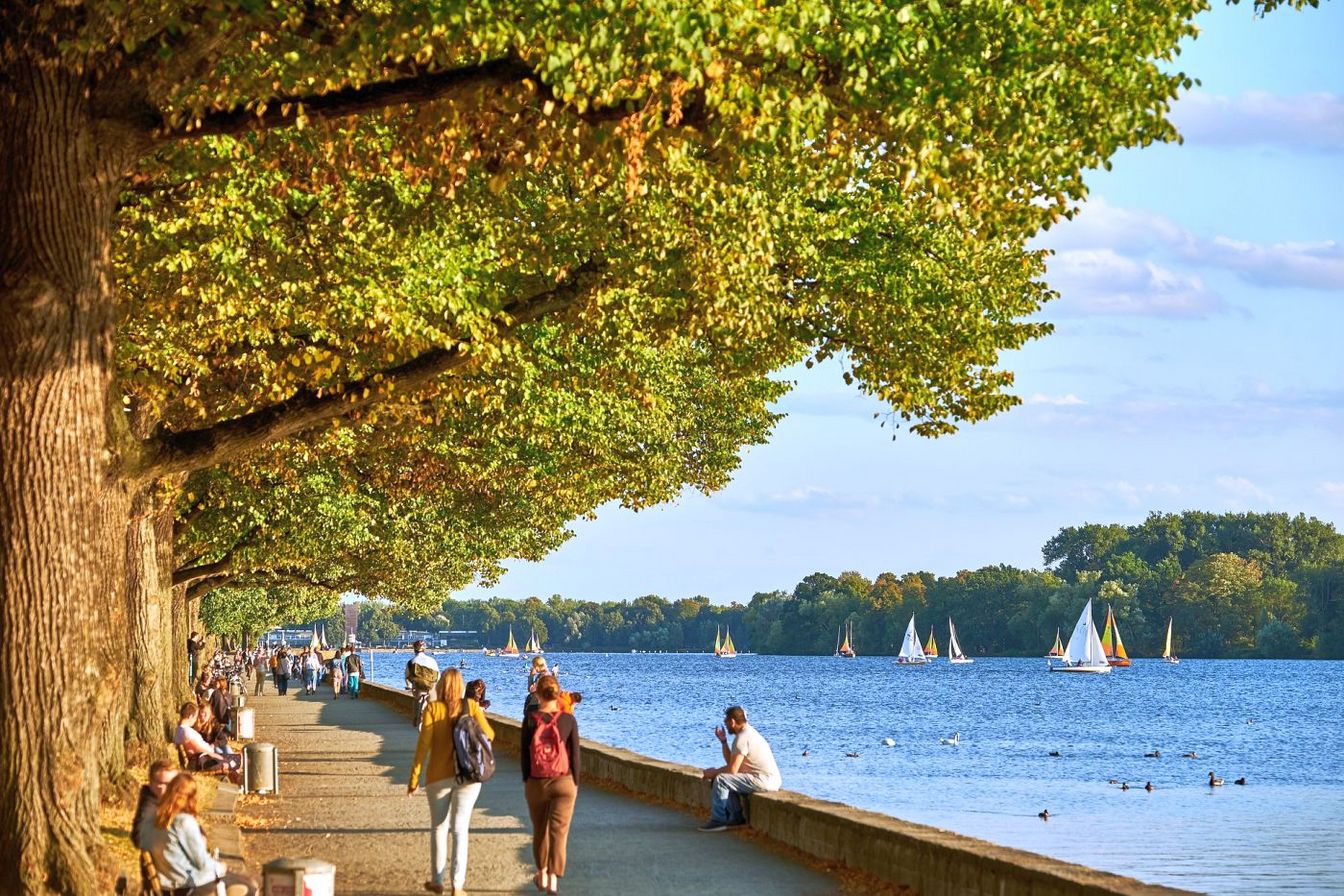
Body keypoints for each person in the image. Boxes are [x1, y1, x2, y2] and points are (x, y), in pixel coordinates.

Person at [408, 668, 495, 896]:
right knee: (460, 829)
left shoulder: (433, 709)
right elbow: (490, 735)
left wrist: (414, 779)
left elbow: (423, 746)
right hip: (468, 776)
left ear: (442, 685)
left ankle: (437, 880)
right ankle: (457, 885)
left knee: (438, 827)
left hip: (437, 776)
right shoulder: (472, 707)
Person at [142, 773, 258, 895]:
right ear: (191, 797)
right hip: (190, 885)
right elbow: (202, 863)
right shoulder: (183, 822)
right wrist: (220, 867)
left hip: (168, 883)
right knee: (249, 886)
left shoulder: (153, 819)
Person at [521, 674, 579, 895]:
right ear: (558, 693)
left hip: (537, 782)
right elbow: (575, 757)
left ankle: (543, 873)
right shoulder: (568, 720)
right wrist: (575, 784)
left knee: (540, 831)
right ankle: (554, 880)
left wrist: (528, 781)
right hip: (564, 782)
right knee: (559, 832)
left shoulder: (530, 719)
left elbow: (525, 756)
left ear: (538, 693)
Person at [698, 705, 781, 832]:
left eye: (726, 721)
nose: (725, 724)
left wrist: (713, 772)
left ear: (732, 721)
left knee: (721, 780)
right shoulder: (748, 733)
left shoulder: (742, 738)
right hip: (768, 780)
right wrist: (724, 742)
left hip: (763, 780)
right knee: (725, 779)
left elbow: (732, 770)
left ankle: (718, 820)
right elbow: (733, 764)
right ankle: (736, 818)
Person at [174, 702, 241, 784]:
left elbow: (222, 739)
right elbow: (199, 749)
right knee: (233, 762)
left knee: (233, 760)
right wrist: (219, 757)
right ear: (191, 716)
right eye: (195, 717)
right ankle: (239, 785)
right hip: (203, 761)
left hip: (204, 758)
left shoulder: (181, 730)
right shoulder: (186, 731)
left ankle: (237, 784)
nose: (196, 719)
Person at [132, 760, 180, 849]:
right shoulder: (149, 806)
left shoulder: (180, 798)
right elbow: (139, 837)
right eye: (159, 782)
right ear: (151, 782)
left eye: (168, 784)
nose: (162, 788)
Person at [406, 641, 440, 727]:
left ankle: (415, 718)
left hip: (418, 687)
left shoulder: (411, 662)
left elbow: (407, 676)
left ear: (414, 649)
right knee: (433, 701)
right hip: (430, 687)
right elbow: (438, 676)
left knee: (416, 700)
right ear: (424, 649)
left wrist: (409, 686)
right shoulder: (432, 661)